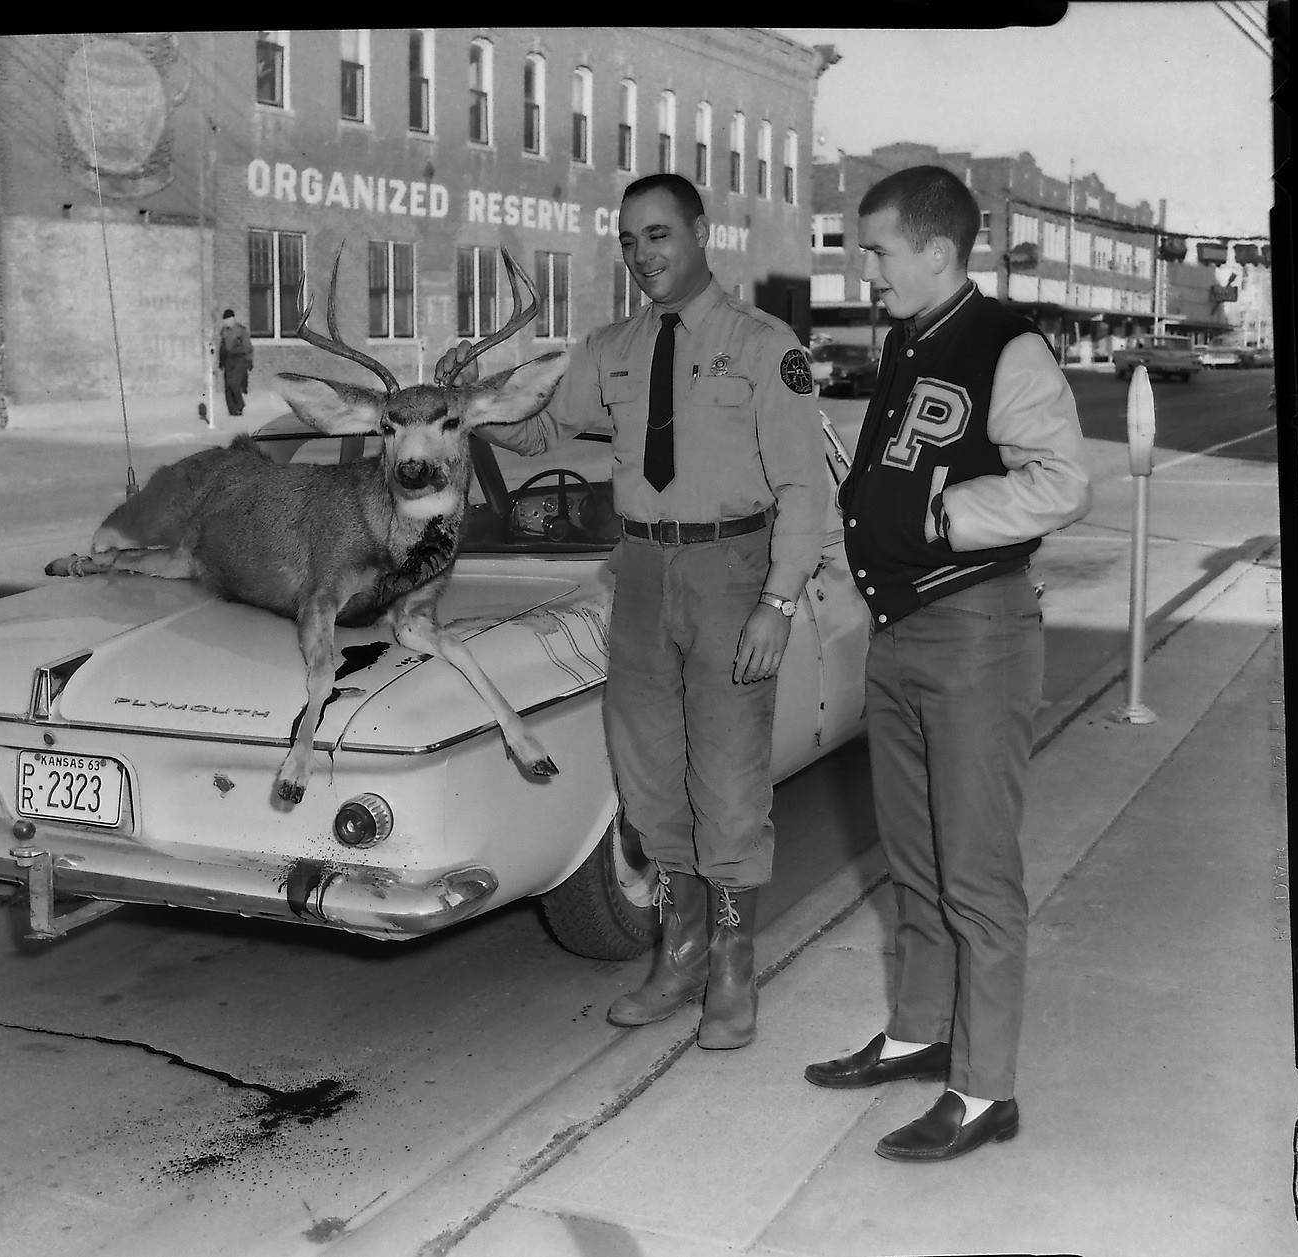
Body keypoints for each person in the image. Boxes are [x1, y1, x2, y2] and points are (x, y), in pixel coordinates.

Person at [439, 173, 827, 1050]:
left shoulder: (766, 347)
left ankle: (732, 970)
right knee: (650, 777)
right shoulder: (609, 348)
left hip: (734, 569)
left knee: (727, 780)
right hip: (641, 573)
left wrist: (778, 600)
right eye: (628, 240)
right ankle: (681, 951)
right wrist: (475, 401)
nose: (643, 254)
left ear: (699, 233)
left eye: (659, 235)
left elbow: (806, 489)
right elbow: (541, 435)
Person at [803, 165, 1091, 1161]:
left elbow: (1060, 482)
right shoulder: (906, 338)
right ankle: (920, 1033)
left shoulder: (1005, 344)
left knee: (976, 874)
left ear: (933, 250)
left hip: (975, 632)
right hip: (899, 631)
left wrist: (937, 517)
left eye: (874, 249)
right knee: (913, 861)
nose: (863, 266)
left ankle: (984, 1091)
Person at [217, 308, 252, 417]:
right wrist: (221, 361)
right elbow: (222, 347)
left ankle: (240, 404)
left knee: (234, 383)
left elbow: (248, 347)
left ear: (232, 319)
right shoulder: (224, 331)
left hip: (239, 359)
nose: (226, 322)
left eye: (227, 319)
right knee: (228, 386)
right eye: (224, 320)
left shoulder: (241, 331)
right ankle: (232, 410)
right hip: (228, 360)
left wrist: (250, 360)